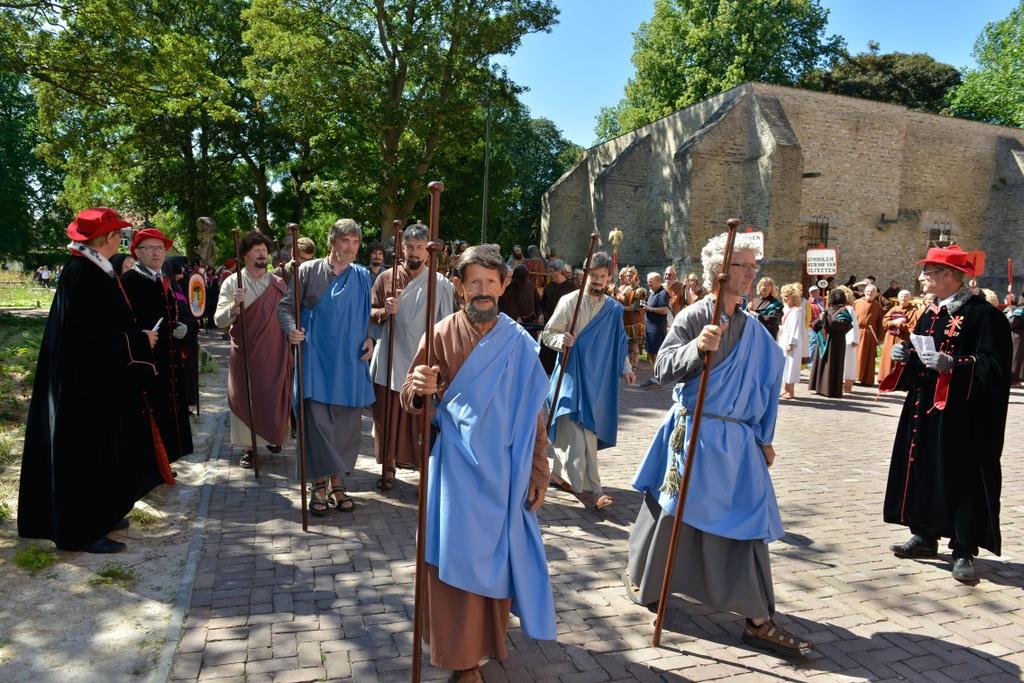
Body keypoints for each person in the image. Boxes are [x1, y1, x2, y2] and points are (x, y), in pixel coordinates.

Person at [625, 231, 813, 659]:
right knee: (672, 512)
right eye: (745, 266)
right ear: (720, 271)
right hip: (692, 433)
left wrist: (764, 437)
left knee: (745, 522)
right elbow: (663, 367)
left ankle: (757, 618)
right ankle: (648, 579)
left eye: (754, 266)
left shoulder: (753, 329)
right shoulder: (694, 316)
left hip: (736, 441)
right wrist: (696, 347)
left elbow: (767, 381)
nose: (753, 274)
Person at [401, 245, 555, 681]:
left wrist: (539, 469)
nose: (482, 292)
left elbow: (535, 414)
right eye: (474, 284)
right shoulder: (440, 334)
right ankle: (462, 660)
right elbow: (409, 400)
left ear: (504, 286)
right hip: (456, 474)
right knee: (453, 566)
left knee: (495, 564)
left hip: (506, 473)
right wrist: (418, 386)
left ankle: (485, 645)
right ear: (458, 287)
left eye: (491, 283)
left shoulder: (521, 344)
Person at [19, 208, 160, 554]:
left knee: (101, 450)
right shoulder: (84, 274)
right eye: (118, 235)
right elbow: (98, 336)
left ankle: (100, 514)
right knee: (85, 453)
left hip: (93, 380)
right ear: (108, 239)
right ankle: (79, 530)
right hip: (83, 386)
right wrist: (142, 341)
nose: (121, 239)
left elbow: (103, 329)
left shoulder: (91, 270)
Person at [881, 245, 1010, 583]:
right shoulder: (929, 313)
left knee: (960, 476)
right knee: (923, 468)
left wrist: (956, 364)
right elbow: (921, 352)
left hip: (963, 417)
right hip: (925, 411)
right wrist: (904, 354)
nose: (925, 277)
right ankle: (924, 534)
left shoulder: (985, 315)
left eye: (933, 272)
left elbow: (995, 367)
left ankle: (963, 548)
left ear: (953, 276)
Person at [279, 219, 375, 514]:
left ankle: (337, 483)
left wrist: (371, 336)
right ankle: (318, 485)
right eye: (345, 240)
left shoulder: (361, 276)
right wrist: (291, 329)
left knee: (346, 427)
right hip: (316, 359)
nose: (351, 247)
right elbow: (286, 307)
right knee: (317, 425)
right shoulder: (307, 271)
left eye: (356, 242)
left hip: (350, 362)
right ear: (332, 242)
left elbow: (365, 312)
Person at [541, 251, 635, 510]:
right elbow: (548, 333)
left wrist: (626, 367)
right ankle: (594, 489)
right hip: (570, 374)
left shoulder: (614, 309)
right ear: (585, 274)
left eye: (603, 277)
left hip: (598, 380)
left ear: (609, 278)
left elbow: (619, 344)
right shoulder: (570, 301)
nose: (598, 281)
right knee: (576, 430)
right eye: (594, 276)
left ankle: (559, 475)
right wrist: (561, 341)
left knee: (585, 431)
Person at [369, 223, 453, 482]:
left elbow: (447, 323)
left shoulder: (440, 284)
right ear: (402, 248)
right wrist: (384, 311)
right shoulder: (385, 278)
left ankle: (421, 470)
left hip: (421, 360)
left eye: (420, 247)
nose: (414, 252)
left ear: (428, 252)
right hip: (389, 358)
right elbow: (369, 315)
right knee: (387, 416)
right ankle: (388, 467)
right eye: (410, 247)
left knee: (419, 418)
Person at [215, 231, 293, 469]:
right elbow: (218, 320)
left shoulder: (279, 284)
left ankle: (273, 435)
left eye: (264, 251)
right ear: (245, 255)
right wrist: (234, 306)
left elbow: (290, 314)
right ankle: (249, 448)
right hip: (246, 352)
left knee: (273, 394)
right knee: (246, 397)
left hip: (275, 350)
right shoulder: (233, 282)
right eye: (256, 251)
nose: (262, 255)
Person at [120, 228, 195, 469]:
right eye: (150, 248)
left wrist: (179, 328)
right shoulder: (129, 282)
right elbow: (123, 324)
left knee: (168, 412)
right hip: (147, 361)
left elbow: (169, 313)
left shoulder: (163, 279)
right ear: (137, 253)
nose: (157, 253)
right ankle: (153, 468)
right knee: (151, 414)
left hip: (169, 360)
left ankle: (166, 463)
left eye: (160, 248)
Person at [808, 289, 854, 398]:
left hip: (835, 343)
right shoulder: (828, 309)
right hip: (823, 340)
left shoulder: (843, 310)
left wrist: (826, 318)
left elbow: (841, 325)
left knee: (833, 364)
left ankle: (830, 389)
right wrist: (820, 319)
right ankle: (819, 387)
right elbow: (815, 327)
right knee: (821, 362)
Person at [539, 259, 577, 375]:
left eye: (552, 271)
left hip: (564, 329)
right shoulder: (549, 287)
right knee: (545, 362)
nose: (550, 274)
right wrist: (541, 313)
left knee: (561, 361)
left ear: (560, 271)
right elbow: (542, 303)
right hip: (549, 326)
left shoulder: (572, 289)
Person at [879, 290, 919, 381]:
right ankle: (885, 378)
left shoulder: (913, 311)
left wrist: (900, 324)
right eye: (901, 296)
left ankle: (899, 380)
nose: (903, 298)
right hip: (890, 338)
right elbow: (884, 323)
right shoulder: (893, 309)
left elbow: (912, 327)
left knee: (900, 360)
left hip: (903, 339)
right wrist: (894, 322)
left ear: (909, 298)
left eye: (905, 296)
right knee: (888, 359)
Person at [614, 266, 645, 373]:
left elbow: (635, 307)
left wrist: (618, 307)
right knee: (626, 345)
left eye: (630, 276)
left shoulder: (641, 290)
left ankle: (634, 366)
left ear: (635, 276)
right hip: (625, 320)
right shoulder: (626, 289)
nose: (628, 278)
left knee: (634, 346)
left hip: (635, 322)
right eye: (627, 276)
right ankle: (628, 366)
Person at [776, 283, 804, 400]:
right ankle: (786, 389)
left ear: (793, 297)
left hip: (791, 340)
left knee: (791, 365)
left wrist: (792, 342)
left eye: (787, 296)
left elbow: (795, 328)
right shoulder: (783, 309)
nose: (785, 298)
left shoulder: (796, 311)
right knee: (785, 365)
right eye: (784, 295)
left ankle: (790, 390)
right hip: (782, 338)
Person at [852, 284, 884, 386]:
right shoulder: (856, 303)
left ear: (876, 294)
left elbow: (880, 323)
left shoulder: (878, 306)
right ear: (864, 292)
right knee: (855, 356)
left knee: (868, 357)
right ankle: (853, 377)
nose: (870, 293)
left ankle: (866, 379)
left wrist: (880, 338)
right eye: (868, 291)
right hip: (856, 332)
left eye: (872, 292)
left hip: (870, 334)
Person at [499, 263, 541, 328]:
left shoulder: (530, 285)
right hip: (514, 323)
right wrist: (515, 316)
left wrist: (539, 314)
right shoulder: (508, 288)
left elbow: (537, 301)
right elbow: (506, 305)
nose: (522, 282)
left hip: (531, 323)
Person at [644, 272, 671, 368]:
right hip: (649, 328)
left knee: (657, 354)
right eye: (648, 282)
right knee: (651, 353)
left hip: (657, 330)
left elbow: (665, 310)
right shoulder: (652, 294)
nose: (648, 284)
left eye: (650, 282)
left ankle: (660, 375)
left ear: (658, 281)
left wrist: (649, 309)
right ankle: (657, 375)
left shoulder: (663, 293)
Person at [838, 285, 860, 393]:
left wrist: (854, 339)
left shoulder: (849, 309)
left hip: (849, 340)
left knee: (849, 363)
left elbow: (854, 325)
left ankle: (848, 385)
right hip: (841, 338)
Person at [1007, 301, 1024, 386]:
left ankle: (1013, 378)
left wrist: (1009, 316)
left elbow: (1012, 323)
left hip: (1018, 336)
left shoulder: (1021, 310)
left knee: (1016, 357)